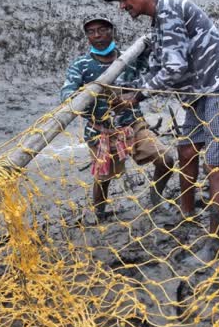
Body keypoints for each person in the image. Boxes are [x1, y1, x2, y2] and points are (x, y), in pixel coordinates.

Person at [102, 0, 219, 252]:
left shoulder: (169, 6)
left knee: (216, 163)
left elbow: (174, 68)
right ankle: (187, 215)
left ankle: (215, 238)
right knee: (186, 151)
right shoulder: (159, 25)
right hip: (198, 94)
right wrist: (126, 90)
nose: (122, 6)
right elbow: (158, 68)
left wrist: (137, 96)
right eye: (119, 1)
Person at [60, 16, 175, 223]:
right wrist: (91, 95)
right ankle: (99, 213)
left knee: (165, 160)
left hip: (133, 125)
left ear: (112, 31)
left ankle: (156, 197)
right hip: (101, 132)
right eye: (92, 32)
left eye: (102, 30)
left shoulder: (128, 58)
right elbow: (66, 95)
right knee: (103, 178)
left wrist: (150, 45)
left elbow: (151, 73)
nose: (98, 36)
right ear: (87, 37)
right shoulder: (81, 65)